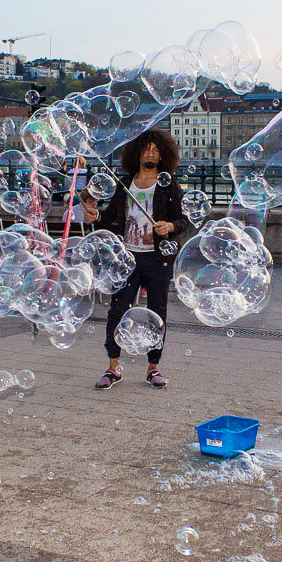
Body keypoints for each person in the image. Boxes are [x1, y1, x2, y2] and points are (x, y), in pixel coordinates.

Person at [90, 128, 189, 390]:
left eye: (156, 150)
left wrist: (169, 226)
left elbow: (183, 219)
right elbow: (109, 218)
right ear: (137, 152)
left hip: (157, 260)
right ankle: (113, 369)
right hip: (128, 259)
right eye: (147, 149)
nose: (151, 154)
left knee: (158, 312)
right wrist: (95, 217)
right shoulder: (125, 185)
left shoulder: (169, 185)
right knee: (116, 312)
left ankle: (153, 368)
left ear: (163, 156)